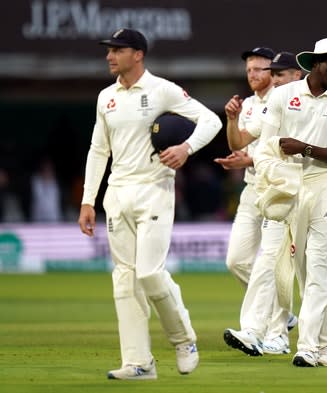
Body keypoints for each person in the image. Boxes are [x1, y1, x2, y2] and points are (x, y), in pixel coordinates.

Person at [77, 28, 222, 380]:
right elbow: (99, 150)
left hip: (154, 188)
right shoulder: (106, 97)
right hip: (117, 194)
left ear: (137, 54)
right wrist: (88, 200)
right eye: (108, 51)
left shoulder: (163, 90)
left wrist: (186, 148)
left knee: (149, 273)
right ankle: (139, 363)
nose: (109, 56)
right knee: (124, 280)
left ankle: (183, 339)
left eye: (117, 50)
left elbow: (211, 120)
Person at [253, 37, 327, 367]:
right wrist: (274, 181)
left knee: (318, 263)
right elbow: (266, 146)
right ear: (315, 63)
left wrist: (306, 148)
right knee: (301, 268)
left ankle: (309, 346)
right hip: (292, 183)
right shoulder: (284, 95)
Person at [217, 50, 303, 356]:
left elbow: (286, 149)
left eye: (261, 70)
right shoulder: (257, 106)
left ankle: (273, 331)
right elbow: (238, 141)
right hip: (256, 188)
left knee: (273, 262)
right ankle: (280, 312)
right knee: (239, 260)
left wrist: (251, 158)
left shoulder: (293, 103)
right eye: (249, 69)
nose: (253, 74)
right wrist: (232, 119)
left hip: (285, 190)